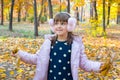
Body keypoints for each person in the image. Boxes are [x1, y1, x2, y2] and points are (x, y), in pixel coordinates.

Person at [12, 12, 106, 80]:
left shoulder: (75, 45)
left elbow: (84, 63)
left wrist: (99, 66)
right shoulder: (48, 43)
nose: (59, 26)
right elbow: (36, 58)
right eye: (56, 23)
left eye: (63, 23)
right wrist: (20, 54)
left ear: (70, 26)